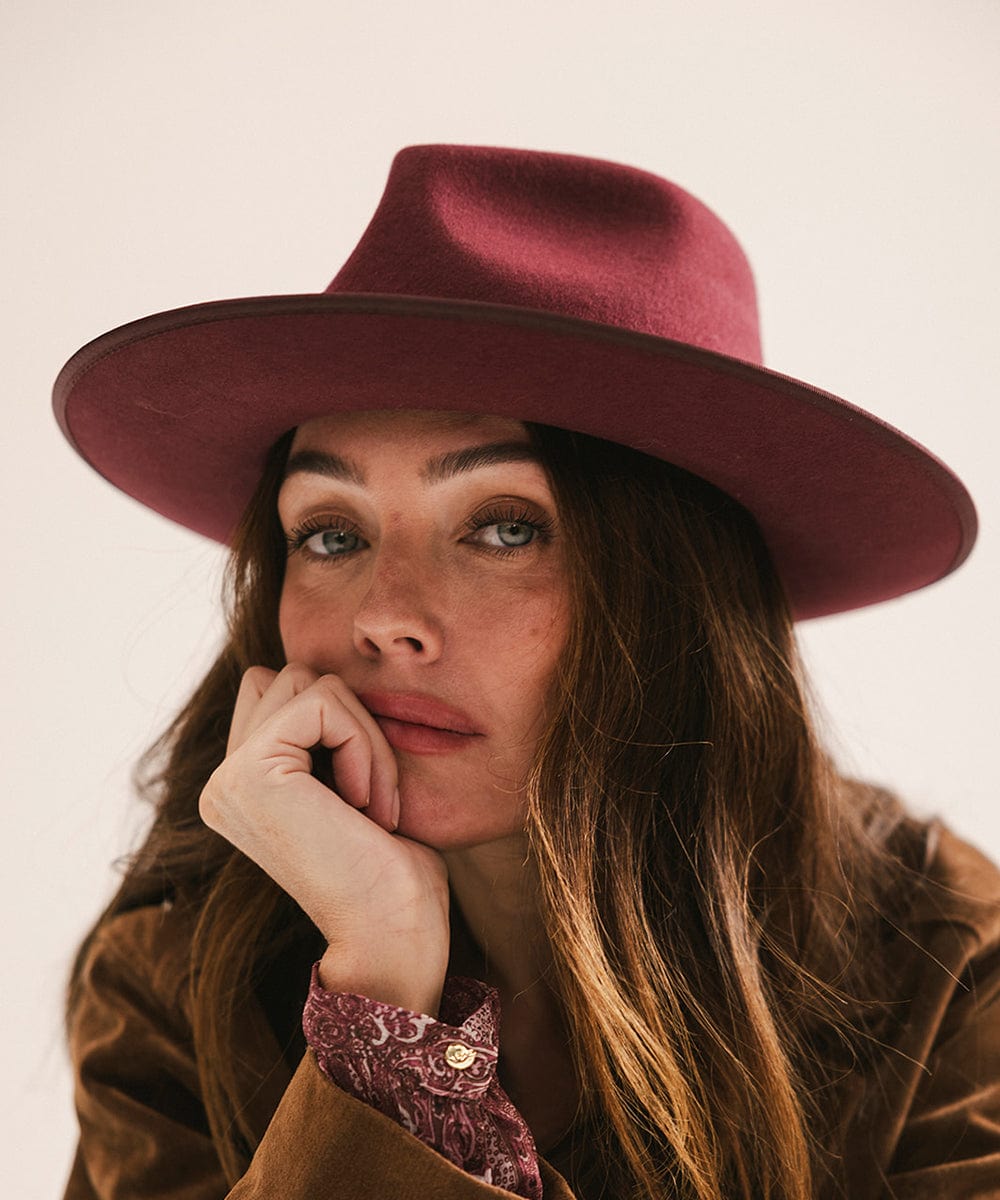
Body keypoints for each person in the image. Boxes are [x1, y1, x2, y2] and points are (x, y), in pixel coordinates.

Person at [54, 144, 999, 1200]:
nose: (385, 617)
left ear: (678, 597)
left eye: (504, 529)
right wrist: (380, 1001)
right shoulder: (177, 983)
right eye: (328, 534)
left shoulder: (944, 968)